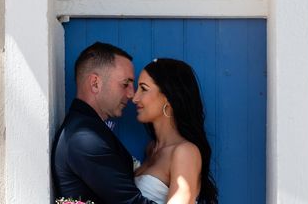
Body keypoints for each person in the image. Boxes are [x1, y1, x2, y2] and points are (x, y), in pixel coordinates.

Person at [52, 42, 157, 204]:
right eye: (125, 84)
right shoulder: (83, 139)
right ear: (95, 83)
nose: (131, 94)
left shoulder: (86, 129)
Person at [132, 58, 218, 204]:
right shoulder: (151, 149)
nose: (134, 98)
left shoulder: (185, 152)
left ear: (168, 98)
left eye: (143, 89)